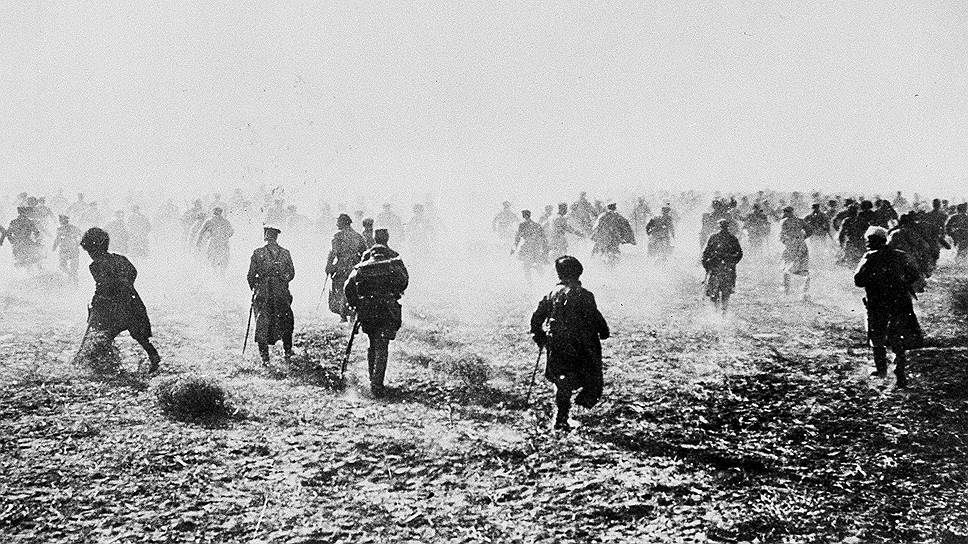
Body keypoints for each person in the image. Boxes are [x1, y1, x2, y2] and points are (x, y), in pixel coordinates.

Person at [530, 255, 609, 432]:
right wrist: (603, 331)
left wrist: (540, 337)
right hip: (580, 345)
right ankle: (568, 414)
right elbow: (595, 317)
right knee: (588, 375)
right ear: (578, 273)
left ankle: (561, 417)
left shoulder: (551, 294)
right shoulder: (585, 295)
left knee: (562, 379)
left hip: (557, 344)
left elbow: (536, 319)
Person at [79, 227, 161, 373]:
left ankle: (106, 365)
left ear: (93, 249)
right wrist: (126, 285)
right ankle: (153, 357)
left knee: (103, 336)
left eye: (90, 251)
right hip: (131, 301)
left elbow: (103, 286)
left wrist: (96, 303)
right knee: (140, 336)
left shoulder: (96, 266)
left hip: (112, 308)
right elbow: (133, 272)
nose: (90, 255)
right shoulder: (120, 259)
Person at [854, 226, 924, 388]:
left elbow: (858, 280)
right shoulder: (900, 255)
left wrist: (875, 281)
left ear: (873, 242)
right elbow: (914, 274)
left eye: (869, 241)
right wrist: (900, 283)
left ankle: (881, 370)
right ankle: (899, 369)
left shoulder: (869, 257)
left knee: (877, 335)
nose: (867, 244)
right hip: (900, 300)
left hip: (877, 301)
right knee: (898, 334)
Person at [344, 229, 409, 395]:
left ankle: (372, 379)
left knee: (372, 343)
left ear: (374, 239)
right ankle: (377, 384)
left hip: (368, 309)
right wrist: (394, 293)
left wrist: (356, 304)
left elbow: (349, 286)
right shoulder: (394, 258)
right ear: (387, 239)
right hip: (387, 308)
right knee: (382, 345)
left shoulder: (365, 259)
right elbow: (404, 281)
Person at [247, 225, 296, 364]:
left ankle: (265, 359)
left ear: (265, 237)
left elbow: (250, 276)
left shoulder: (258, 253)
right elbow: (291, 273)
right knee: (285, 321)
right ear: (276, 237)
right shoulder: (285, 253)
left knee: (262, 323)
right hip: (281, 293)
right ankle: (287, 353)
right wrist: (282, 281)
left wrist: (255, 289)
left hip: (263, 293)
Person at [326, 213, 367, 322]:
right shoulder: (358, 236)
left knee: (339, 289)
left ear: (343, 223)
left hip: (341, 267)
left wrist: (329, 265)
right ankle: (352, 313)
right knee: (353, 290)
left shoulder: (337, 236)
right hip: (355, 267)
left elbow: (332, 253)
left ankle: (343, 315)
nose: (337, 224)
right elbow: (364, 252)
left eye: (338, 222)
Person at [702, 219, 743, 312]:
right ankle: (722, 311)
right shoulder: (732, 238)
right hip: (724, 268)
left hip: (718, 268)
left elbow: (706, 253)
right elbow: (739, 254)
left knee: (717, 291)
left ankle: (718, 311)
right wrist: (732, 262)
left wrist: (706, 265)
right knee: (725, 291)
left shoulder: (715, 237)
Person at [779, 207, 810, 299]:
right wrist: (802, 238)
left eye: (786, 212)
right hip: (801, 245)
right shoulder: (800, 221)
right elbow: (809, 231)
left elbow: (782, 235)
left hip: (792, 246)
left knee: (787, 268)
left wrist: (786, 242)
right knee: (803, 269)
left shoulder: (785, 222)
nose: (785, 214)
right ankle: (804, 291)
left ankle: (787, 291)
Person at [513, 210, 549, 280]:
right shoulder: (536, 225)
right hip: (536, 247)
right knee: (538, 265)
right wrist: (545, 247)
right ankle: (544, 280)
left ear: (523, 216)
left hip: (527, 248)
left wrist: (514, 248)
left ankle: (530, 282)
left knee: (527, 267)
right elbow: (543, 237)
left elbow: (518, 238)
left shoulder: (522, 225)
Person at [196, 207, 235, 272]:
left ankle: (215, 273)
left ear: (214, 212)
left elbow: (201, 232)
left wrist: (198, 242)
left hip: (214, 243)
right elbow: (231, 232)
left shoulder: (210, 221)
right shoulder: (226, 222)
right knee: (223, 262)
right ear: (221, 213)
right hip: (224, 244)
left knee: (212, 261)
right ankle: (222, 274)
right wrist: (225, 236)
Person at [52, 215, 82, 283]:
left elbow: (57, 239)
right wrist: (78, 243)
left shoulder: (61, 229)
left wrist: (54, 248)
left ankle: (72, 277)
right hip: (71, 250)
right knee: (71, 268)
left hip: (67, 250)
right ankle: (73, 278)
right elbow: (81, 235)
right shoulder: (73, 228)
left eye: (61, 220)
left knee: (64, 266)